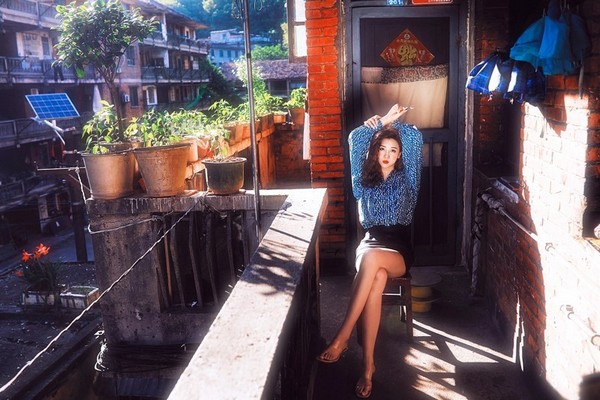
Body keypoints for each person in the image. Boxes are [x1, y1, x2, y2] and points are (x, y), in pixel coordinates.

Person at [317, 104, 423, 398]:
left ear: (400, 155)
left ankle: (342, 337)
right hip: (370, 243)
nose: (387, 154)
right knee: (375, 278)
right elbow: (355, 138)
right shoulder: (363, 182)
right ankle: (368, 366)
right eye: (382, 149)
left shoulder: (409, 180)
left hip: (398, 249)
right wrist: (381, 122)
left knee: (372, 259)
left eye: (393, 150)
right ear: (375, 152)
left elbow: (415, 138)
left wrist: (393, 125)